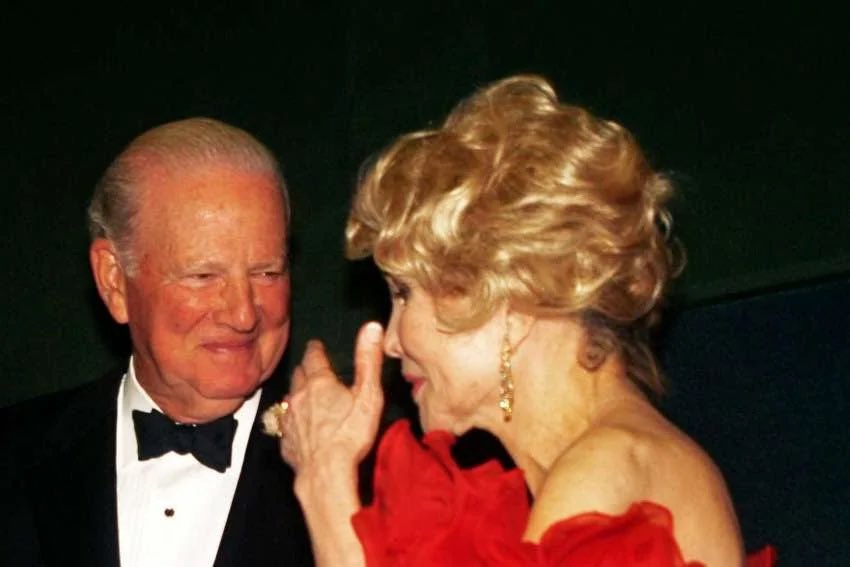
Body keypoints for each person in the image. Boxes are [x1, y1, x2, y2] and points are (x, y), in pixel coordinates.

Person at [270, 76, 776, 566]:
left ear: (511, 303)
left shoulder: (607, 469)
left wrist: (324, 477)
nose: (393, 341)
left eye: (405, 294)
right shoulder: (611, 465)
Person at [0, 118, 312, 566]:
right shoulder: (15, 457)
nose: (243, 314)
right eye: (203, 276)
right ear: (114, 281)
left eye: (268, 272)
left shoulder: (359, 479)